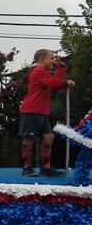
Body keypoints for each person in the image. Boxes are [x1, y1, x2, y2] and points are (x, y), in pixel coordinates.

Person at [18, 49, 75, 177]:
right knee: (29, 138)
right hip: (31, 110)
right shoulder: (37, 71)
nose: (54, 61)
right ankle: (26, 168)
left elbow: (54, 82)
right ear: (42, 59)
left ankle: (46, 168)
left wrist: (61, 72)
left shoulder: (42, 72)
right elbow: (53, 83)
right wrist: (62, 73)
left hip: (41, 111)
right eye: (51, 58)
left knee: (49, 137)